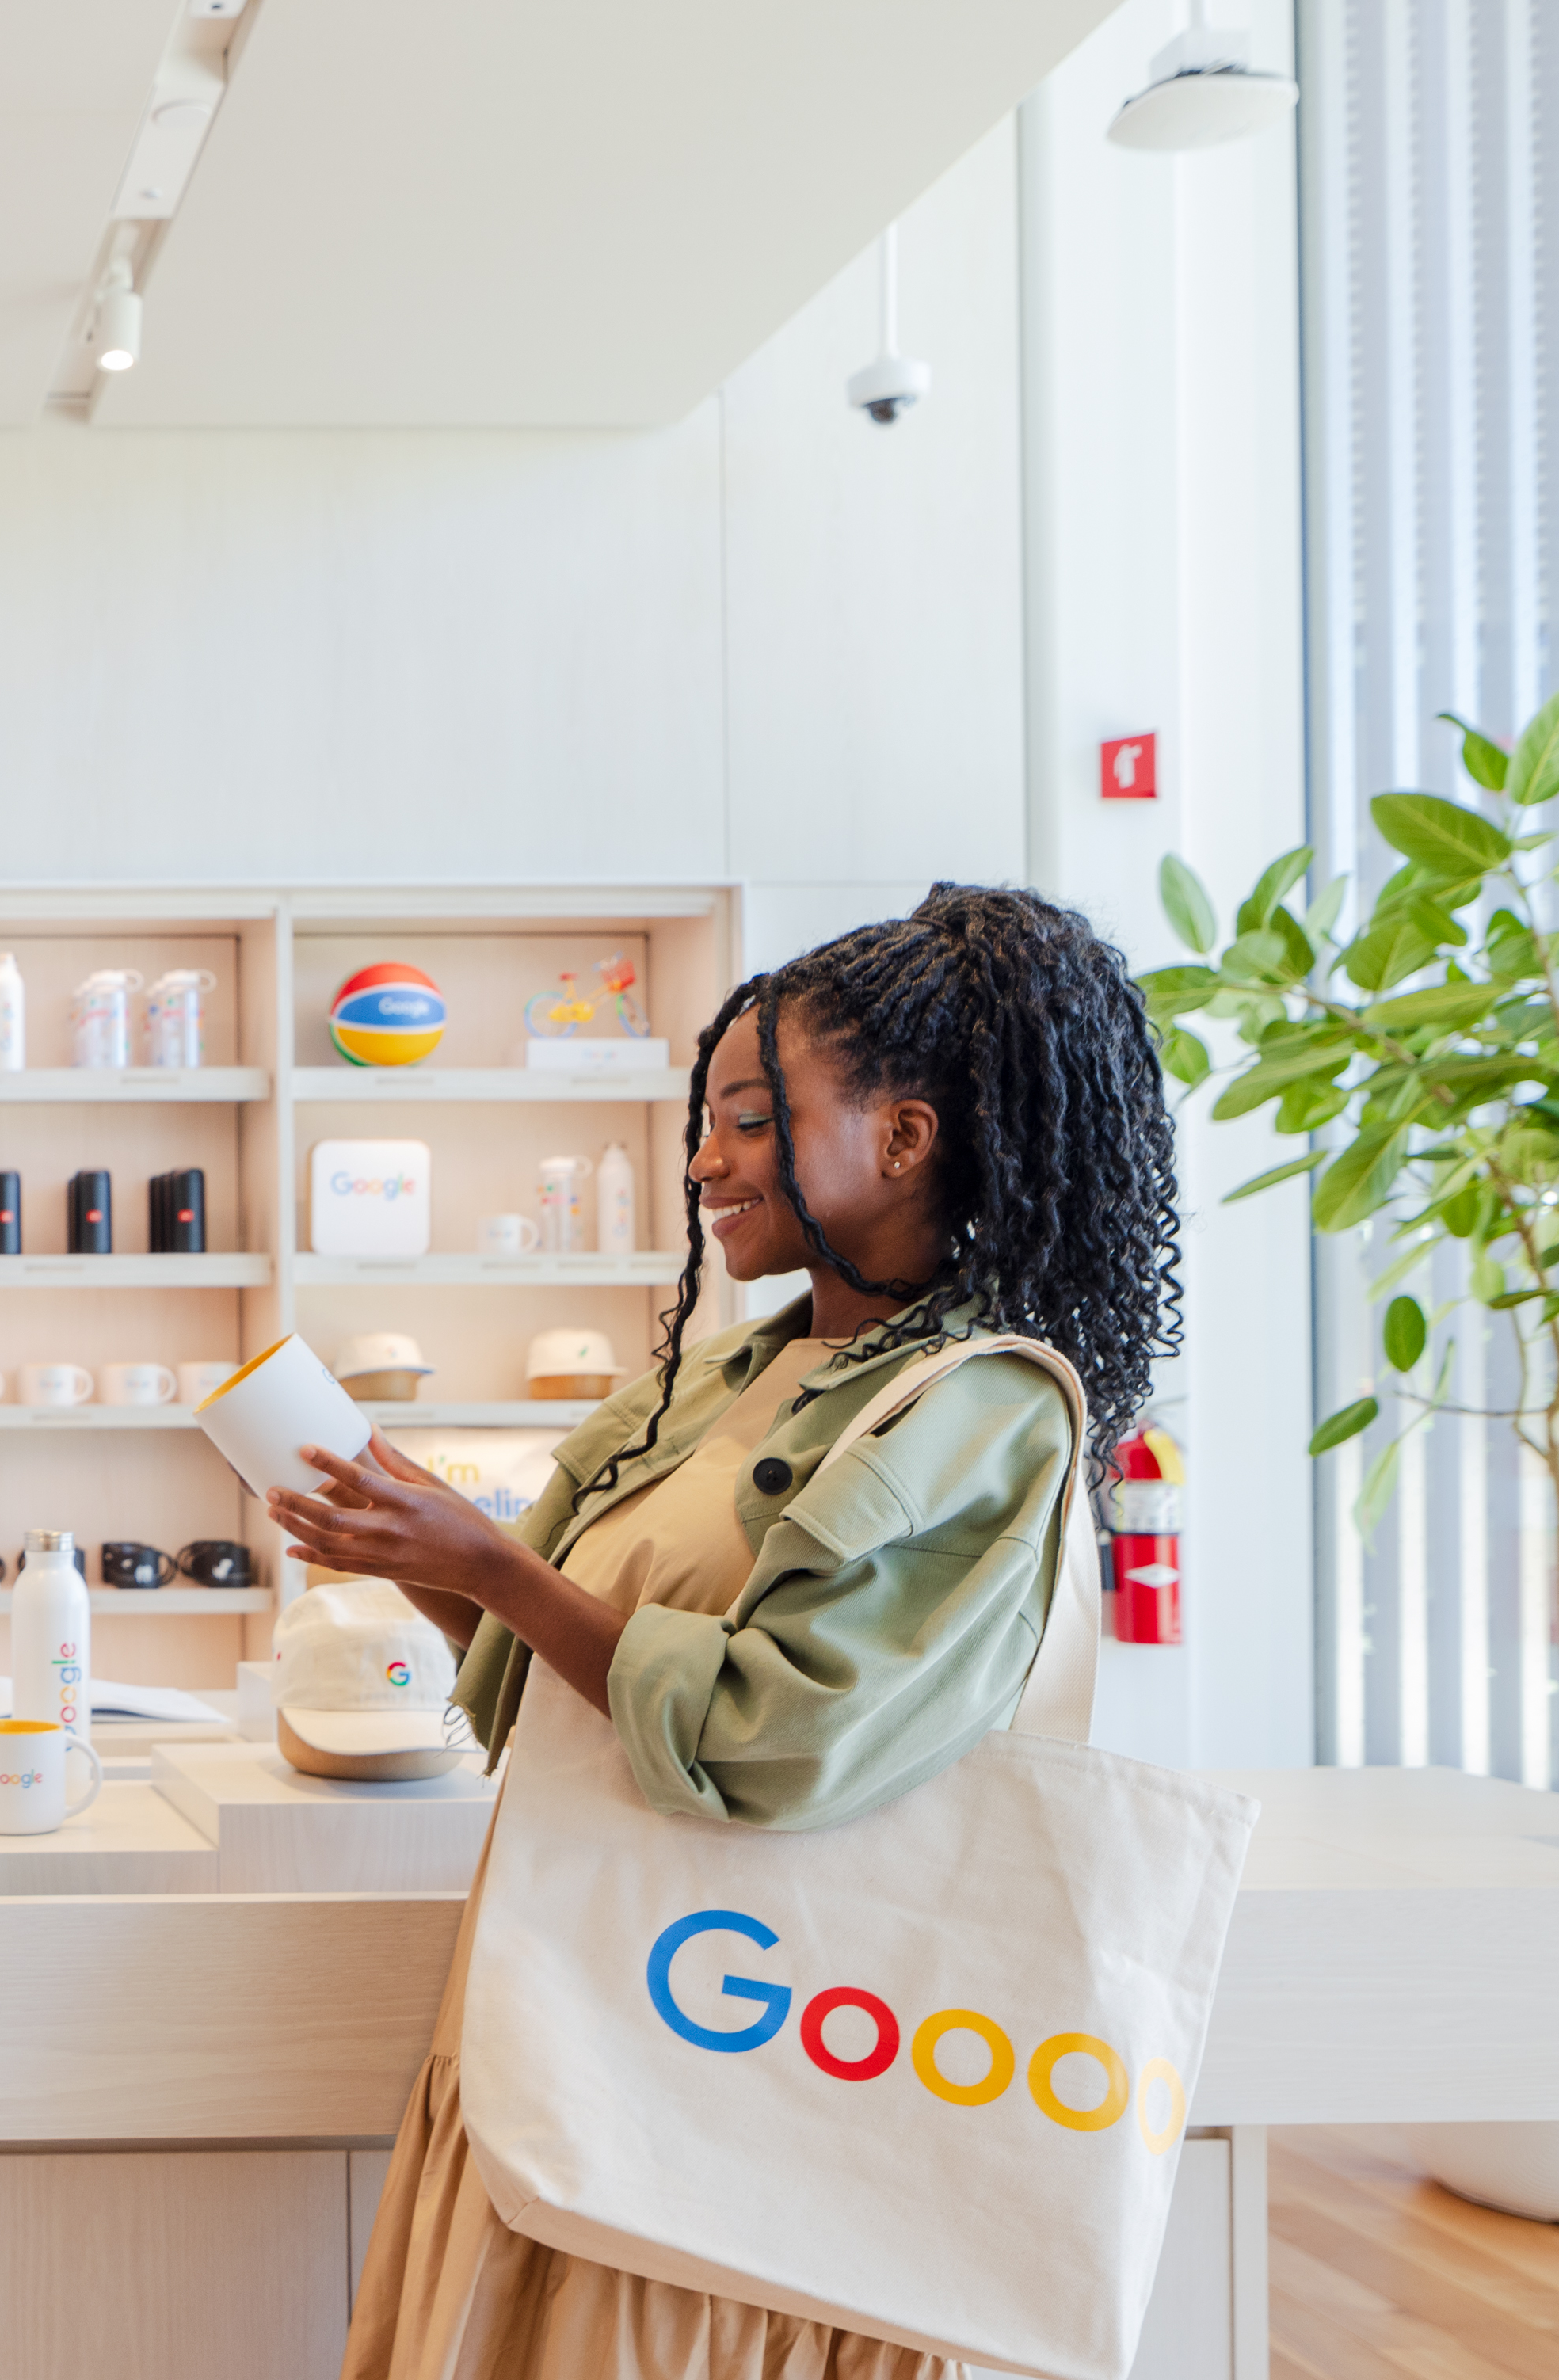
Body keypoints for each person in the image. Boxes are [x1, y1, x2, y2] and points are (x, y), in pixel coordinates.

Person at [271, 884, 1182, 2380]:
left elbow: (777, 1736)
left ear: (904, 1139)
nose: (704, 1161)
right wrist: (411, 1546)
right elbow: (566, 1685)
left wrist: (496, 1571)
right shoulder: (726, 1377)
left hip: (743, 2117)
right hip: (574, 2037)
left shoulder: (984, 1410)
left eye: (752, 1119)